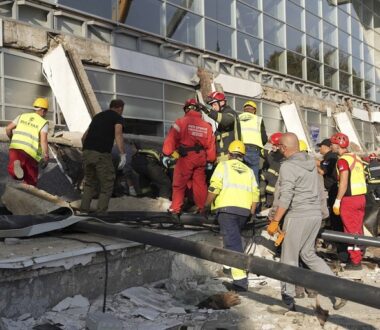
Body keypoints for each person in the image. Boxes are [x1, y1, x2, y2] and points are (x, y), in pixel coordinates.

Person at [267, 133, 346, 311]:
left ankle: (287, 300)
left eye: (280, 147)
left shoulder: (287, 167)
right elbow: (318, 188)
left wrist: (275, 220)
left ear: (284, 148)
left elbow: (285, 196)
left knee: (288, 258)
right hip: (314, 215)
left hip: (298, 216)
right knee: (308, 254)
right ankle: (340, 291)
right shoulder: (311, 162)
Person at [205, 140, 259, 292]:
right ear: (242, 155)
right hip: (243, 212)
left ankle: (240, 282)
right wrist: (252, 213)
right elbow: (255, 194)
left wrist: (205, 206)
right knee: (233, 240)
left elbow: (215, 187)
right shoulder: (248, 171)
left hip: (227, 210)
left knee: (233, 245)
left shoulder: (223, 166)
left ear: (229, 154)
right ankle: (228, 268)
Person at [162, 98, 216, 218]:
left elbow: (171, 139)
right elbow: (211, 145)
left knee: (179, 183)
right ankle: (202, 209)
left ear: (186, 109)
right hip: (201, 158)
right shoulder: (207, 126)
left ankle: (175, 209)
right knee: (200, 184)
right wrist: (210, 160)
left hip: (186, 157)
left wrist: (167, 153)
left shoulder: (181, 122)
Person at [80, 99, 126, 214]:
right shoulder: (117, 117)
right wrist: (122, 154)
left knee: (89, 183)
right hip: (101, 154)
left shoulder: (97, 117)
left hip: (87, 152)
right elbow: (118, 135)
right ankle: (101, 213)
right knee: (107, 183)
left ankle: (83, 211)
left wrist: (87, 150)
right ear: (120, 108)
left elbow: (83, 137)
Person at [331, 133, 367, 270]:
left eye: (333, 143)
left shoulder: (342, 161)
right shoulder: (355, 158)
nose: (331, 146)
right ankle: (359, 253)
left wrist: (338, 201)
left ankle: (355, 261)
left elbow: (344, 182)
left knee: (350, 230)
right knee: (357, 228)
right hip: (361, 197)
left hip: (349, 200)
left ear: (338, 145)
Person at [6, 97, 50, 186]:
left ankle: (16, 166)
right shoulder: (43, 122)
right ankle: (29, 191)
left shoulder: (22, 116)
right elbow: (43, 140)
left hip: (15, 148)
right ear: (42, 110)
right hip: (30, 152)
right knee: (31, 178)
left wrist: (11, 139)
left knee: (14, 172)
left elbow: (8, 128)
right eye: (45, 111)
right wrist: (45, 155)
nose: (45, 114)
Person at [201, 91, 241, 163]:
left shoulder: (230, 112)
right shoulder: (222, 117)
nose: (213, 107)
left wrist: (207, 111)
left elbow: (227, 120)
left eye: (214, 104)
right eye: (212, 105)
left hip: (231, 158)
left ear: (222, 103)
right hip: (224, 159)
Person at [238, 100, 268, 183]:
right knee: (253, 177)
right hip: (253, 150)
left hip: (239, 149)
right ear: (254, 110)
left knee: (240, 174)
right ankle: (253, 195)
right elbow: (264, 138)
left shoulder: (237, 118)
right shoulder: (258, 119)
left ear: (244, 109)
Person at [260, 132, 284, 208]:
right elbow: (264, 153)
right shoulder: (272, 153)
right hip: (269, 183)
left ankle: (267, 205)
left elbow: (273, 176)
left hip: (274, 187)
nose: (272, 146)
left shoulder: (281, 158)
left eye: (274, 145)